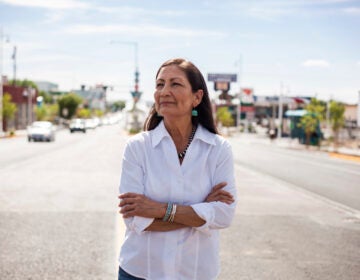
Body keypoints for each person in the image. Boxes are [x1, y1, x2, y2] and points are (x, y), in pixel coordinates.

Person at [118, 58, 237, 280]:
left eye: (175, 84)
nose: (164, 91)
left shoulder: (218, 149)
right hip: (140, 271)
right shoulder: (137, 148)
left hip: (195, 272)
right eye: (160, 84)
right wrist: (199, 212)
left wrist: (158, 209)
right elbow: (135, 220)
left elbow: (223, 215)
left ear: (197, 97)